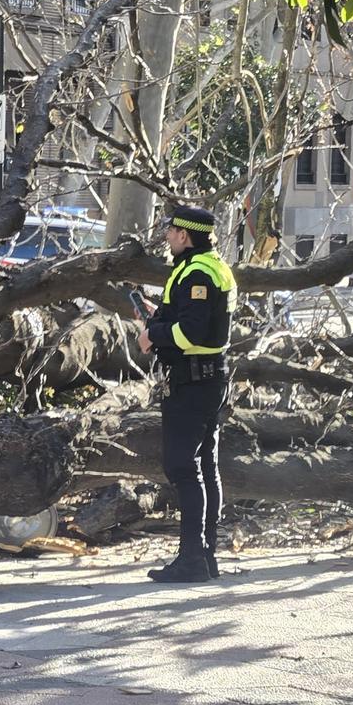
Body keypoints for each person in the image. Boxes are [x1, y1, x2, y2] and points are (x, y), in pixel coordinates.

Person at [138, 205, 236, 583]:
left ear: (185, 235)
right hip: (208, 379)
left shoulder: (197, 272)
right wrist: (156, 317)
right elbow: (192, 319)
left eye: (171, 230)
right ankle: (204, 556)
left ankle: (192, 558)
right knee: (205, 467)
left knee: (183, 466)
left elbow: (192, 332)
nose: (167, 235)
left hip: (194, 381)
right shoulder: (210, 265)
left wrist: (154, 335)